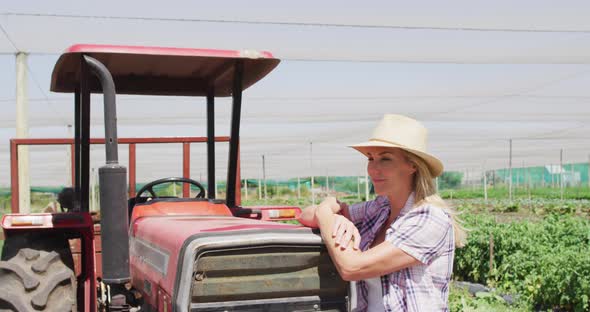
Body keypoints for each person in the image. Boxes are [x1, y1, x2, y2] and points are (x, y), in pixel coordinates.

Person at [298, 114, 466, 311]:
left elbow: (352, 267)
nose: (373, 169)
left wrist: (326, 216)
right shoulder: (381, 208)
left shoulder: (430, 219)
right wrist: (329, 210)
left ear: (413, 165)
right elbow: (304, 215)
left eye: (385, 159)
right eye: (371, 158)